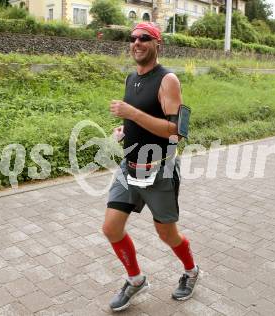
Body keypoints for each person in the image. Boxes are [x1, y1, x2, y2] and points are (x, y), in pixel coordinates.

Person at [102, 22, 199, 312]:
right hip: (129, 166)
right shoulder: (132, 77)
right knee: (111, 228)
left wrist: (131, 112)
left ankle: (191, 270)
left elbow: (176, 132)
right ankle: (135, 279)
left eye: (145, 38)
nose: (137, 42)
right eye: (132, 38)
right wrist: (124, 127)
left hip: (159, 170)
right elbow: (138, 119)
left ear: (158, 44)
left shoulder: (168, 80)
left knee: (167, 234)